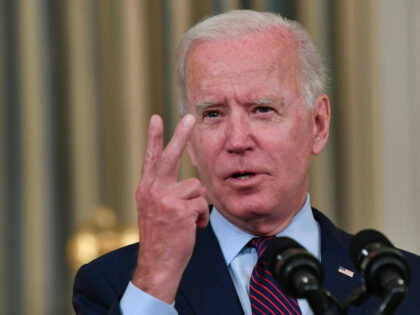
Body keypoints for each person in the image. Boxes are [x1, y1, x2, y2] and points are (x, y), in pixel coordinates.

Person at [73, 10, 420, 315]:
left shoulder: (404, 286)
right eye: (213, 114)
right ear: (191, 141)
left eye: (262, 110)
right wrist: (156, 281)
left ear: (318, 125)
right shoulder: (117, 286)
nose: (237, 141)